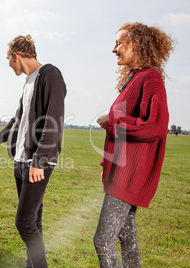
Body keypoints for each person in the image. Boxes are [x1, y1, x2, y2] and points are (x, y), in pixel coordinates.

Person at [0, 35, 66, 268]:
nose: (9, 64)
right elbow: (17, 120)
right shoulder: (29, 81)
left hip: (36, 163)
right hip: (21, 160)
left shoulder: (50, 75)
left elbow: (53, 121)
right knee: (34, 220)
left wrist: (39, 160)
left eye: (8, 59)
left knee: (24, 222)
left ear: (16, 56)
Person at [94, 22, 175, 267]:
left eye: (119, 42)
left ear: (136, 44)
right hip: (121, 172)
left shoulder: (150, 78)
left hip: (130, 176)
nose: (113, 49)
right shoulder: (135, 78)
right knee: (126, 237)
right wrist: (106, 164)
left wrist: (111, 120)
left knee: (102, 240)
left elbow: (155, 126)